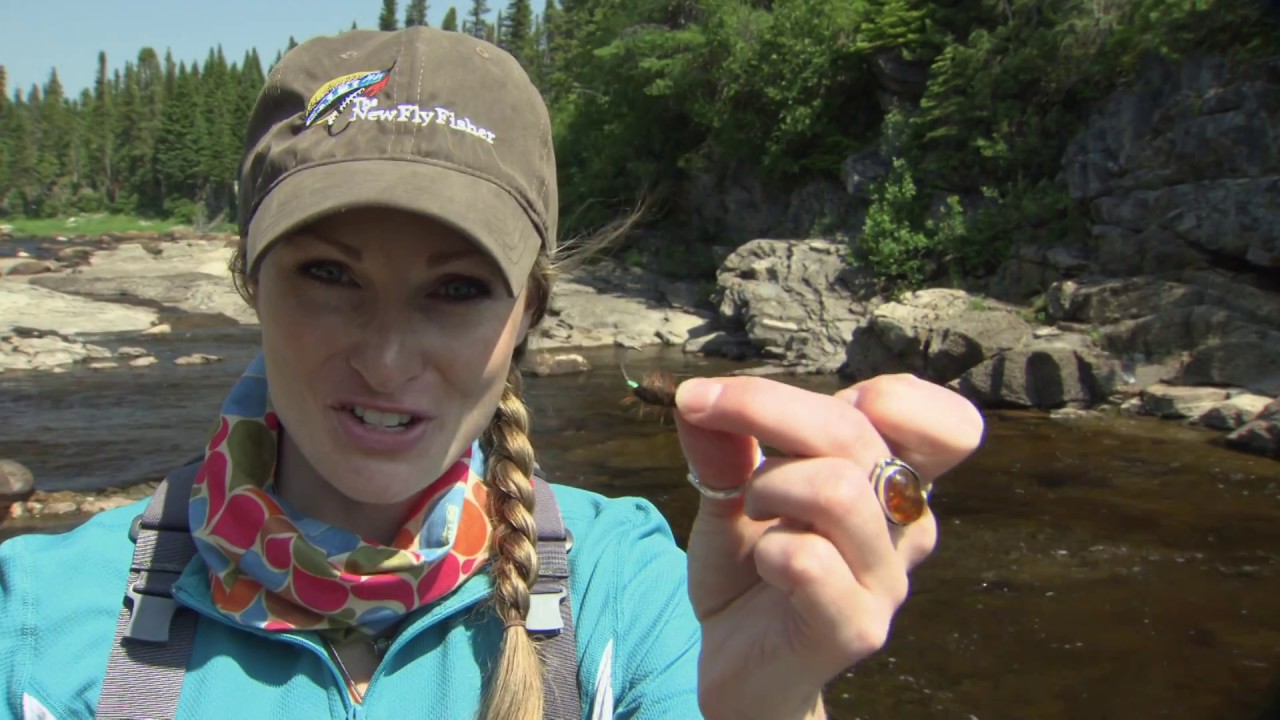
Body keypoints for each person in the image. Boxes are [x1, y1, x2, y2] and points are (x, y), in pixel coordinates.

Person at [0, 26, 984, 720]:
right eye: (329, 274)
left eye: (457, 289)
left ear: (528, 318)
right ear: (250, 284)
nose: (386, 360)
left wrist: (770, 705)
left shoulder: (632, 592)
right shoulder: (43, 627)